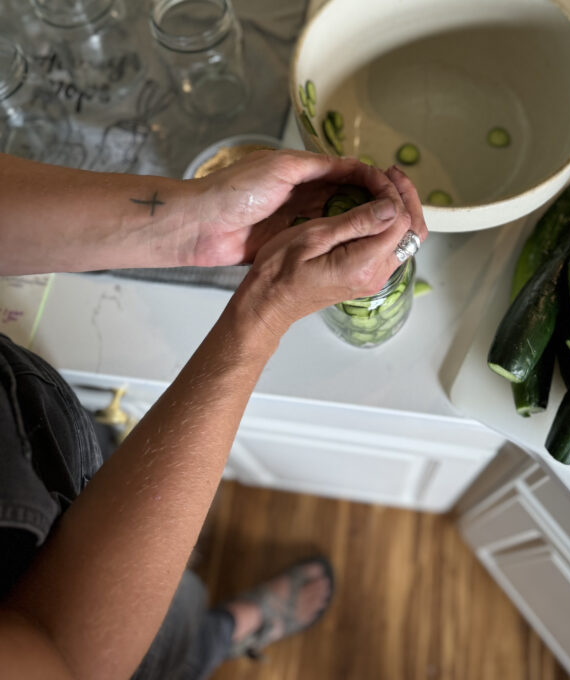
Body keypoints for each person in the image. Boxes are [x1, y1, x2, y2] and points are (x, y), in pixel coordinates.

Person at [0, 147, 428, 679]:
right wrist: (264, 309)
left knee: (120, 499)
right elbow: (66, 659)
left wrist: (196, 222)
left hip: (31, 432)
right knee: (169, 638)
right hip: (81, 629)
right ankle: (226, 632)